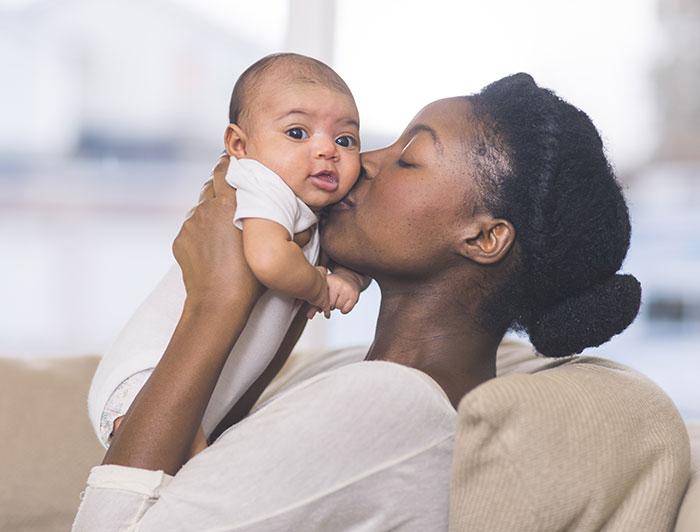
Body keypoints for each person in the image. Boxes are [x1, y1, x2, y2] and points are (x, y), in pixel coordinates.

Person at [72, 73, 641, 531]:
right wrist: (278, 304)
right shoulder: (375, 381)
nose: (362, 160)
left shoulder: (390, 402)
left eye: (408, 158)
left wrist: (214, 302)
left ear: (483, 237)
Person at [87, 53, 371, 455]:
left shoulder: (311, 210)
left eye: (345, 140)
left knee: (187, 490)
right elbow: (270, 259)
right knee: (191, 489)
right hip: (146, 377)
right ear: (239, 145)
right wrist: (321, 288)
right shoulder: (260, 182)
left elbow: (352, 258)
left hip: (201, 389)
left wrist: (351, 278)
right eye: (297, 133)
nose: (327, 150)